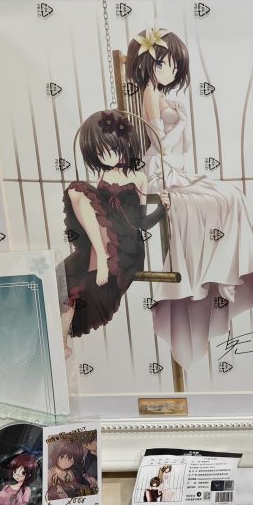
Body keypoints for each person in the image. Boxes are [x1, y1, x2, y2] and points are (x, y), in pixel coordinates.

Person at [127, 28, 253, 368]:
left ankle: (226, 270)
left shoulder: (160, 93)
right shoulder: (149, 92)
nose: (169, 71)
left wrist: (179, 123)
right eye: (162, 63)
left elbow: (178, 144)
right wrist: (179, 123)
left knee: (231, 196)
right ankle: (217, 274)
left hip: (176, 167)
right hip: (160, 170)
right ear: (147, 63)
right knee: (216, 200)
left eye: (174, 65)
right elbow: (159, 143)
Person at [61, 110, 169, 339]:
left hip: (127, 247)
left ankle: (101, 257)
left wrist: (162, 209)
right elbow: (96, 212)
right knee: (76, 189)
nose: (106, 157)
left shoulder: (139, 177)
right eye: (99, 152)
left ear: (123, 143)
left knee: (84, 282)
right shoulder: (102, 176)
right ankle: (62, 342)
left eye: (110, 149)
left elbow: (141, 222)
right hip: (103, 239)